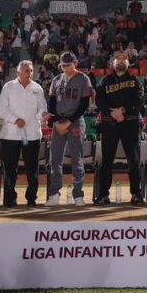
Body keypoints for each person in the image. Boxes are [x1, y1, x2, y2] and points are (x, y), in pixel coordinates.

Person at [94, 51, 145, 205]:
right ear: (112, 63)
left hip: (130, 123)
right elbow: (99, 101)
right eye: (117, 59)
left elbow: (140, 99)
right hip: (110, 124)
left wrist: (122, 111)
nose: (121, 61)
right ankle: (103, 195)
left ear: (128, 63)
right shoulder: (105, 81)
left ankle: (136, 194)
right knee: (107, 161)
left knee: (133, 161)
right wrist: (113, 113)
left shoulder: (135, 80)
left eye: (124, 59)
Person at [0, 60, 49, 207]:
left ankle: (31, 198)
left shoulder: (37, 88)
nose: (30, 73)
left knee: (32, 169)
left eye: (31, 70)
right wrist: (15, 120)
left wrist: (43, 114)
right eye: (27, 71)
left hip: (32, 135)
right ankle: (9, 199)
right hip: (11, 135)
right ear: (18, 72)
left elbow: (41, 108)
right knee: (10, 169)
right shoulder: (8, 87)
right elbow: (2, 110)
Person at [45, 52, 93, 206]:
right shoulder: (57, 79)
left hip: (75, 122)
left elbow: (84, 104)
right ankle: (54, 194)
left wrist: (69, 121)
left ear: (75, 63)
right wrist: (55, 121)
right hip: (59, 122)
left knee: (77, 159)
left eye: (68, 64)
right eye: (63, 65)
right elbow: (51, 103)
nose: (65, 67)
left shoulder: (83, 78)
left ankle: (78, 194)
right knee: (55, 160)